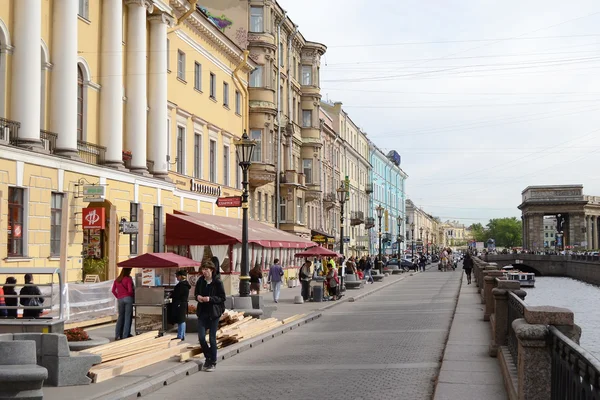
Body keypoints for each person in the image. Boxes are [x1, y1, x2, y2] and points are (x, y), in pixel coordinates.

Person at [194, 260, 226, 372]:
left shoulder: (217, 282)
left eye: (206, 270)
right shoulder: (200, 281)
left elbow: (222, 298)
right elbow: (196, 294)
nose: (204, 272)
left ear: (212, 270)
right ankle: (208, 357)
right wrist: (198, 297)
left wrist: (210, 299)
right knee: (201, 337)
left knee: (212, 338)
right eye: (203, 269)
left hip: (214, 313)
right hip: (202, 312)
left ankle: (213, 361)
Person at [111, 268, 134, 340]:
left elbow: (113, 290)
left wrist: (118, 296)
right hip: (128, 298)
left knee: (120, 317)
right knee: (127, 317)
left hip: (120, 299)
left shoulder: (117, 280)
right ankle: (125, 335)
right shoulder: (128, 279)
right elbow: (130, 290)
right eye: (130, 271)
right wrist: (131, 296)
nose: (130, 272)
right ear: (128, 272)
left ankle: (117, 335)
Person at [171, 270, 191, 340]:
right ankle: (182, 335)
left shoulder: (181, 285)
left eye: (177, 276)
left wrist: (172, 295)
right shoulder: (185, 284)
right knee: (182, 320)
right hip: (183, 303)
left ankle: (180, 335)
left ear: (181, 276)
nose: (176, 277)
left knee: (181, 320)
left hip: (180, 304)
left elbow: (176, 295)